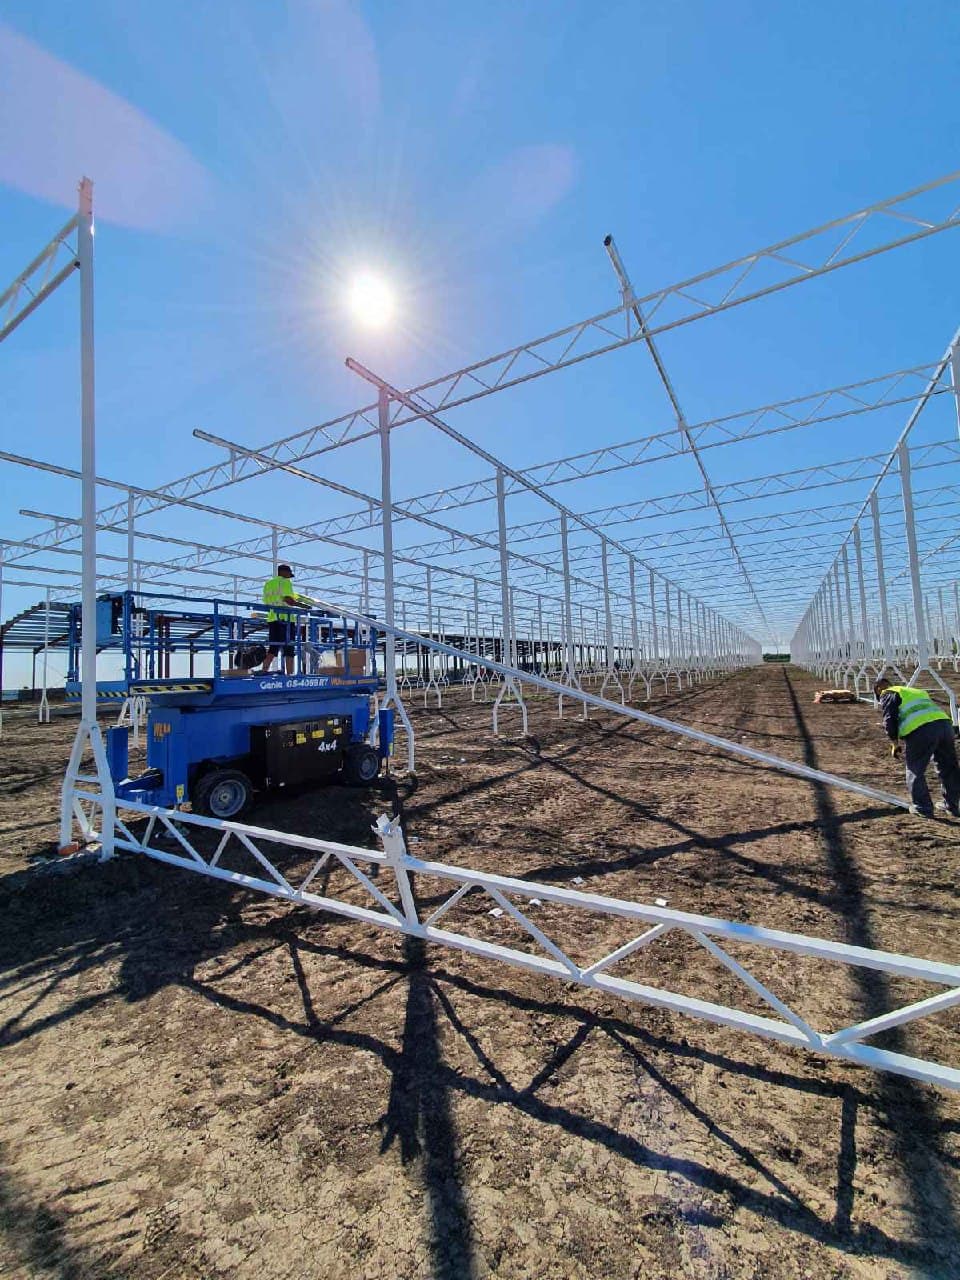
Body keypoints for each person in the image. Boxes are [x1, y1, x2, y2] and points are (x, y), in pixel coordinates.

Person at [874, 677, 960, 817]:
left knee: (915, 769)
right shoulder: (915, 691)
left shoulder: (888, 693)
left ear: (879, 689)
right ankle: (952, 805)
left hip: (922, 730)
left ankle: (923, 807)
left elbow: (889, 719)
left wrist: (894, 743)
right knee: (949, 767)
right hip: (945, 725)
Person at [262, 565, 313, 675]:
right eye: (289, 574)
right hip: (285, 619)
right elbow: (288, 599)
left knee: (273, 647)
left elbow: (267, 600)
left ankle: (264, 670)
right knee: (289, 647)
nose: (289, 577)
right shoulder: (285, 582)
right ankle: (290, 675)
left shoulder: (268, 583)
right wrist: (303, 606)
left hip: (272, 618)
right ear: (283, 572)